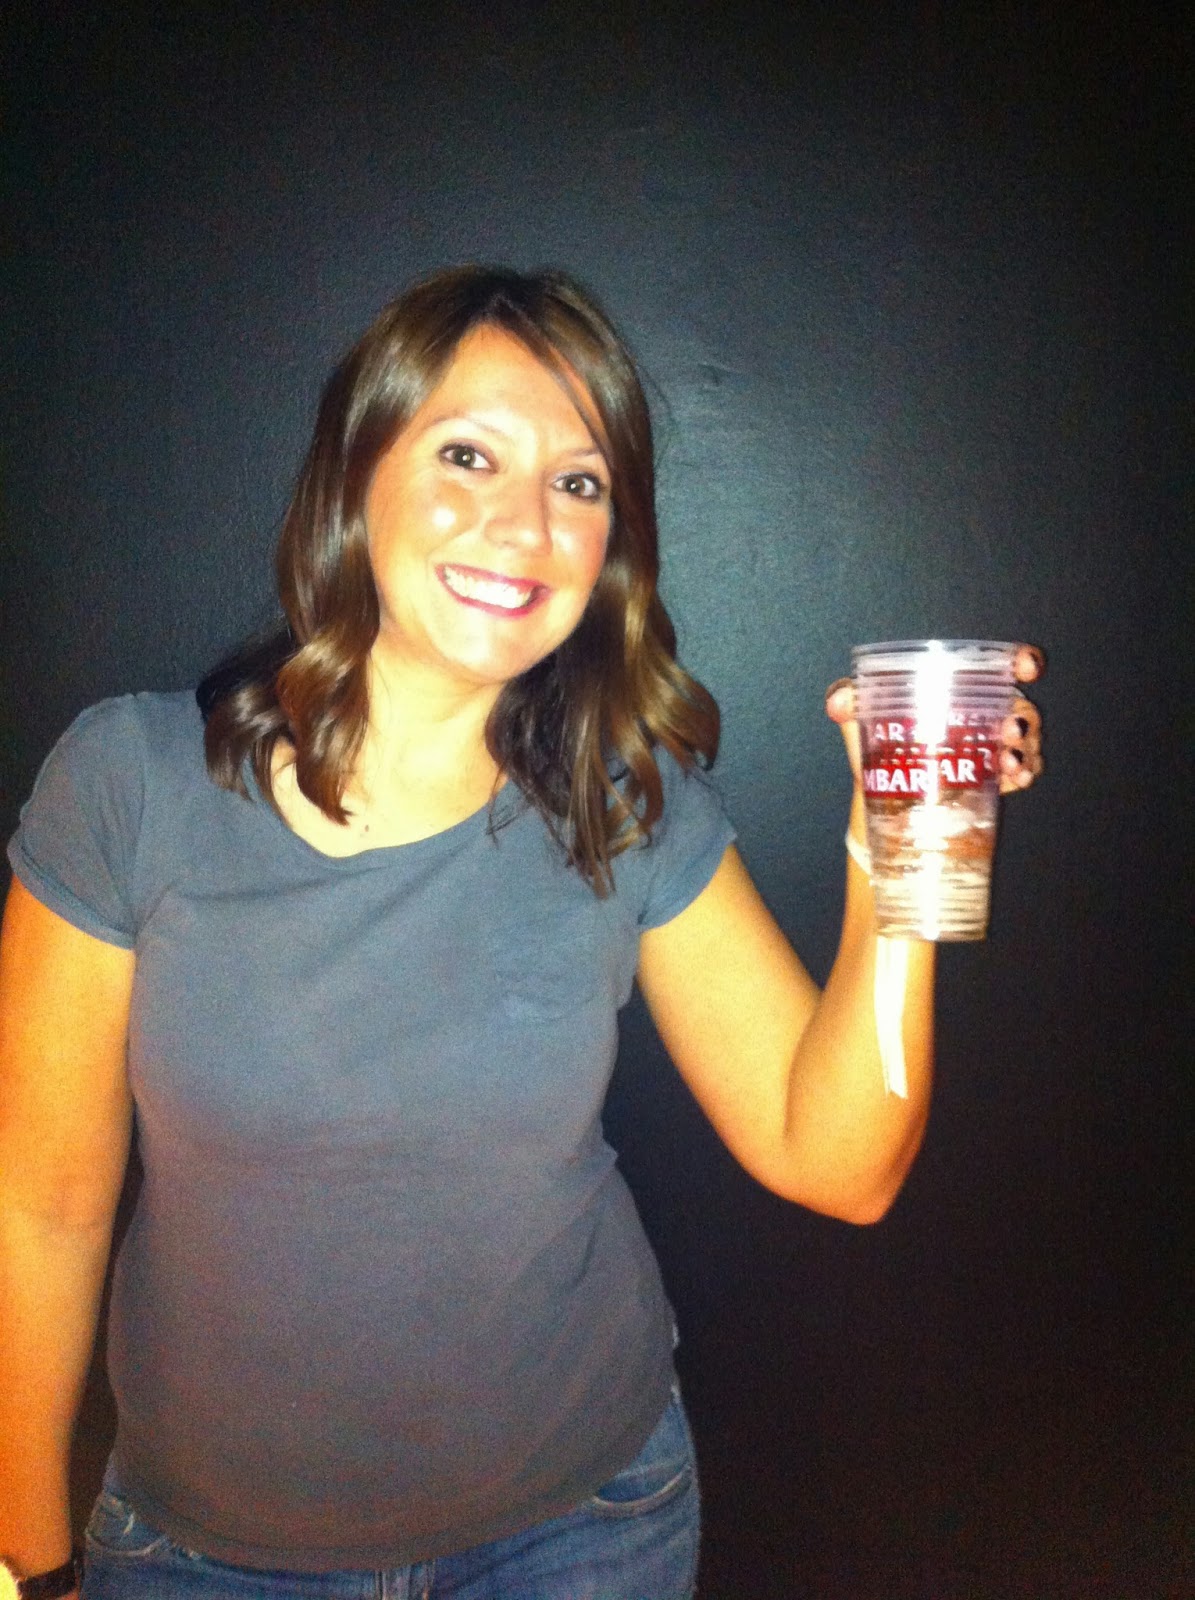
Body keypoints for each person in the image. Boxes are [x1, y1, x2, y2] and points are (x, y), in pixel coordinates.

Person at [0, 266, 1043, 1600]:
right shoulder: (130, 783)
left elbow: (836, 1159)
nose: (526, 525)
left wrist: (899, 839)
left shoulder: (624, 806)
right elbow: (39, 1205)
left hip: (584, 1526)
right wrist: (29, 1556)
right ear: (355, 479)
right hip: (207, 1555)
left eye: (580, 482)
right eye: (467, 455)